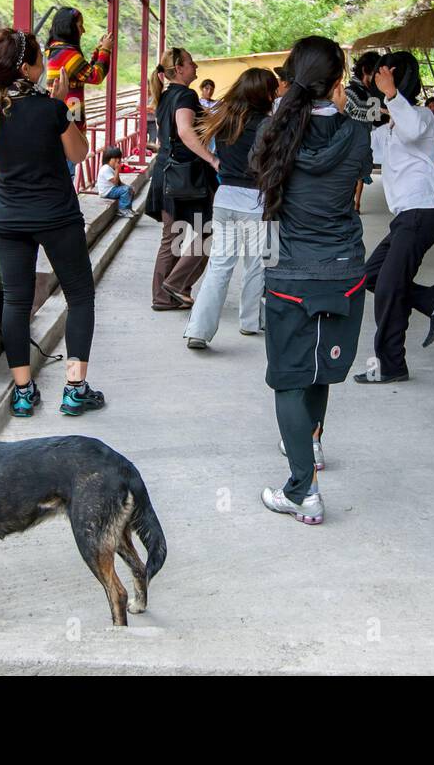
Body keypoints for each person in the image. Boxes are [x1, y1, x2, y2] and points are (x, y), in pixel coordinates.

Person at [249, 36, 372, 525]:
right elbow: (357, 180)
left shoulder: (271, 132)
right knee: (320, 370)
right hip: (343, 269)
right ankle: (312, 445)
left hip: (290, 272)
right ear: (338, 82)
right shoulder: (358, 135)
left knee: (287, 380)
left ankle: (302, 488)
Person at [0, 27, 105, 418]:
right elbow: (79, 154)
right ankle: (75, 389)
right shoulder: (50, 109)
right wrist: (60, 108)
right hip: (56, 215)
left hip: (8, 217)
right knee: (80, 296)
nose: (46, 67)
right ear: (26, 68)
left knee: (16, 300)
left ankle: (24, 392)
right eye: (41, 61)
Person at [354, 51, 434, 385]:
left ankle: (390, 365)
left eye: (385, 72)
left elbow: (413, 131)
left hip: (420, 213)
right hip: (405, 218)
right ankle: (432, 302)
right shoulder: (389, 126)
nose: (378, 77)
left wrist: (390, 95)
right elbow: (362, 150)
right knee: (372, 276)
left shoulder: (421, 116)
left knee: (388, 287)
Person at [184, 67, 277, 349]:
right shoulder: (268, 125)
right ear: (264, 94)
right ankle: (249, 322)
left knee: (219, 266)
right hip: (254, 202)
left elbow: (194, 136)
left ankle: (198, 330)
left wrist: (214, 160)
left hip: (224, 199)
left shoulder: (223, 118)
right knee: (255, 265)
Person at [147, 47, 217, 310]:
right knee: (208, 231)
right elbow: (186, 131)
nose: (195, 65)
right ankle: (176, 285)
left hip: (165, 173)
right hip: (187, 176)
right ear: (178, 69)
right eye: (190, 63)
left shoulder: (165, 96)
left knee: (171, 237)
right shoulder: (186, 95)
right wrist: (212, 158)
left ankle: (164, 296)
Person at [45, 7, 112, 128]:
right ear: (69, 27)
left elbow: (85, 73)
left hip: (62, 118)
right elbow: (96, 76)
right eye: (80, 26)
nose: (83, 30)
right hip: (69, 123)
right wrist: (105, 50)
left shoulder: (55, 50)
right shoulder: (67, 53)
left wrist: (98, 51)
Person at [344, 51, 386, 213]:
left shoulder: (372, 95)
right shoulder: (350, 94)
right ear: (364, 70)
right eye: (375, 73)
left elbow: (376, 122)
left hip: (360, 156)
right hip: (347, 155)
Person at [96, 145, 135, 217]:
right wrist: (117, 169)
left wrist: (128, 187)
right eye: (115, 159)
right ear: (109, 159)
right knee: (126, 189)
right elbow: (115, 182)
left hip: (112, 189)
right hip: (107, 192)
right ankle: (122, 210)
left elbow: (119, 182)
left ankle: (128, 209)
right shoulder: (105, 169)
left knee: (130, 188)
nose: (118, 161)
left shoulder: (111, 168)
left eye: (118, 158)